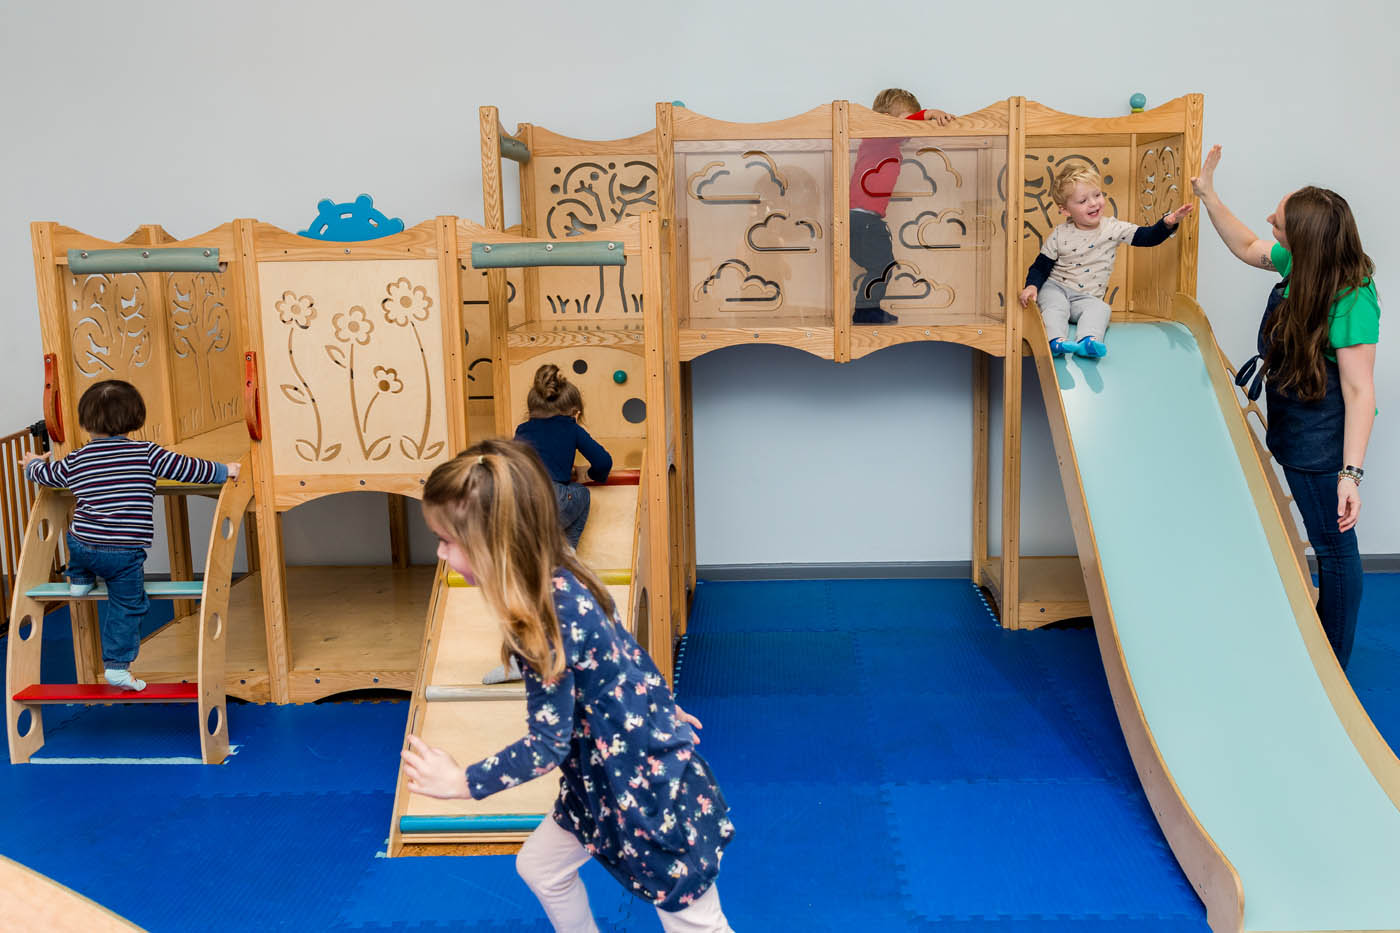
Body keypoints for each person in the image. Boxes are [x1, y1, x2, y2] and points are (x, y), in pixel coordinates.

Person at [403, 440, 734, 932]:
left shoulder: (542, 618)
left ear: (490, 544)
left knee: (694, 919)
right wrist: (661, 709)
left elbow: (546, 745)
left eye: (447, 541)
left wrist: (464, 784)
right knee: (541, 866)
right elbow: (627, 656)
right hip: (599, 783)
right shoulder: (560, 576)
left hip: (642, 794)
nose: (439, 552)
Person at [1191, 144, 1378, 670]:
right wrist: (1208, 196)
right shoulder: (1302, 264)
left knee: (1335, 551)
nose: (1271, 218)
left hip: (1324, 445)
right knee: (1328, 545)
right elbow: (1248, 244)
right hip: (1295, 430)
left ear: (1305, 237)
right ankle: (1320, 645)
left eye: (1281, 217)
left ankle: (1331, 665)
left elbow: (1362, 392)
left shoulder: (1353, 297)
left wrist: (1350, 474)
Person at [22, 379, 240, 691]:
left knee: (80, 534)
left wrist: (32, 465)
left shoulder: (78, 458)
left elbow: (49, 475)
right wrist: (225, 470)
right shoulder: (147, 454)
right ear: (135, 419)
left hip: (82, 545)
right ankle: (117, 666)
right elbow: (189, 469)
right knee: (127, 605)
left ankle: (80, 580)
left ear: (86, 422)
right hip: (123, 554)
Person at [1019, 163, 1193, 357]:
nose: (1093, 203)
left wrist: (1167, 224)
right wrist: (1032, 286)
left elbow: (1146, 237)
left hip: (1086, 298)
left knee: (1101, 309)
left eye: (1097, 195)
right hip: (1056, 288)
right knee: (1055, 307)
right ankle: (1055, 341)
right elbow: (1041, 267)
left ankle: (1088, 342)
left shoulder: (1112, 228)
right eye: (1083, 200)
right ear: (1065, 210)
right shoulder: (1060, 234)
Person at [850, 87, 954, 325]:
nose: (910, 130)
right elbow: (892, 128)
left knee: (884, 265)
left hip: (869, 218)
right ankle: (865, 311)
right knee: (881, 265)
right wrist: (928, 114)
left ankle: (869, 308)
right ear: (885, 120)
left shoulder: (890, 147)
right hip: (858, 218)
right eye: (907, 123)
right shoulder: (875, 138)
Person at [514, 363, 612, 551]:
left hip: (521, 506)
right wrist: (592, 475)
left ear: (531, 411)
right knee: (581, 493)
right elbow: (603, 462)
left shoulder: (522, 430)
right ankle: (567, 551)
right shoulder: (571, 427)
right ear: (575, 412)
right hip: (554, 500)